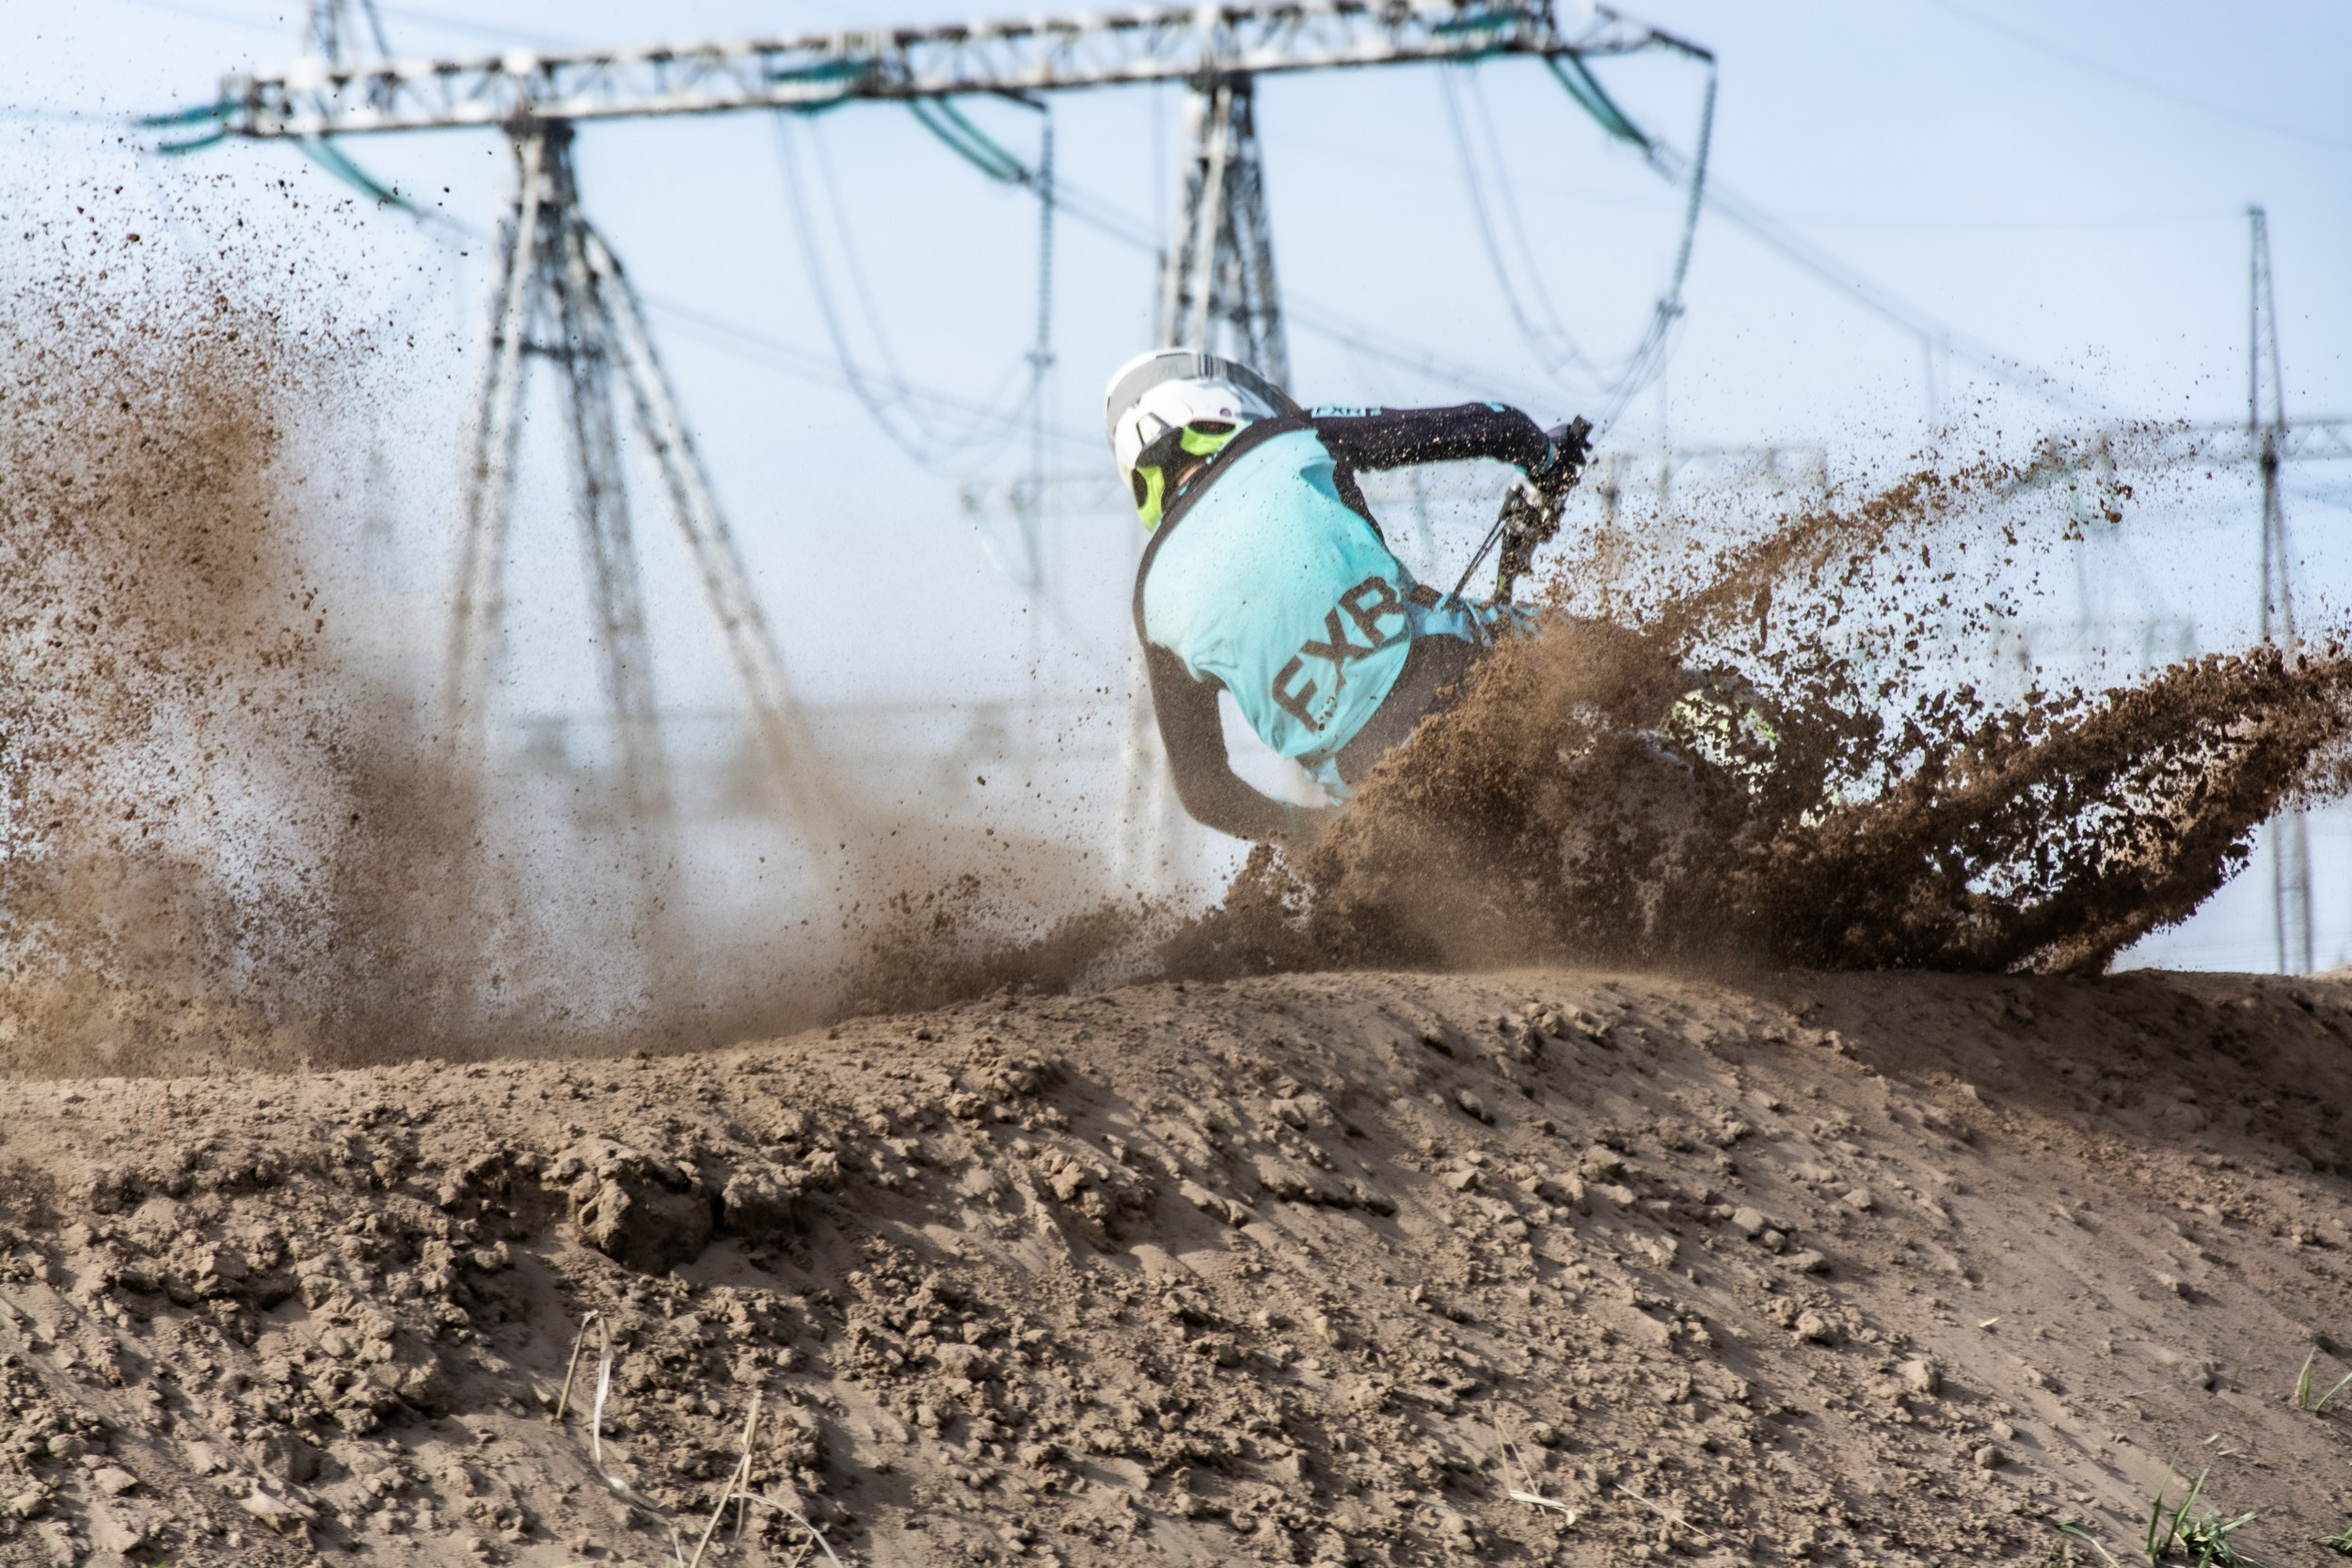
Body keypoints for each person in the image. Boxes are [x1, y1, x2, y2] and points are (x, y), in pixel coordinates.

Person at [1104, 347, 1590, 844]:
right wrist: (1546, 460)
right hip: (1453, 667)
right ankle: (1674, 705)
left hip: (1378, 798)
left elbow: (1203, 792)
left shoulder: (1151, 600)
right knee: (1595, 653)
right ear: (1220, 403)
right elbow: (1496, 426)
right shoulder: (1290, 437)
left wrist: (1312, 832)